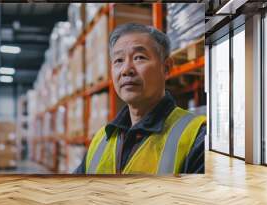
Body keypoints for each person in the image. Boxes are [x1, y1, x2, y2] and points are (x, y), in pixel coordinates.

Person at [74, 23, 206, 175]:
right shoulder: (100, 140)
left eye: (139, 58)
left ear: (166, 68)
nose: (126, 70)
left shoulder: (198, 137)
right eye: (118, 60)